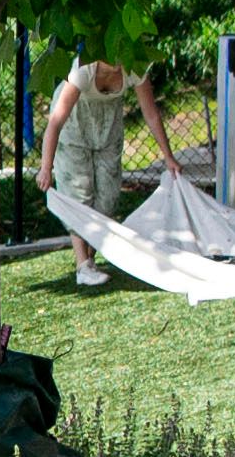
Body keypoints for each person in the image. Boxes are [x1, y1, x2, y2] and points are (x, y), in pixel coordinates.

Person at [41, 55, 175, 288]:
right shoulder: (84, 71)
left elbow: (151, 114)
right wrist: (46, 167)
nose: (116, 58)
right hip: (74, 125)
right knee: (79, 193)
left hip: (107, 127)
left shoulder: (133, 66)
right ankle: (83, 264)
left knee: (108, 198)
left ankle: (91, 259)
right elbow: (56, 121)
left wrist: (169, 157)